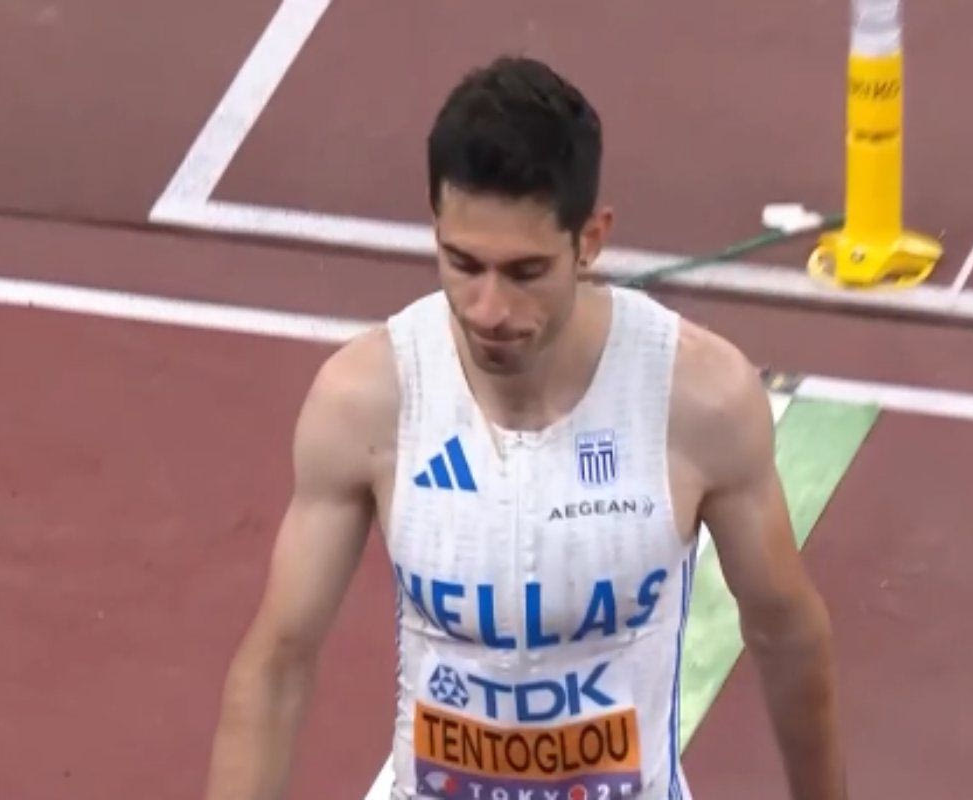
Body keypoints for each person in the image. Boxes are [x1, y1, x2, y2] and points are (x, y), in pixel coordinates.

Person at [203, 56, 847, 800]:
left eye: (525, 272)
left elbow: (785, 635)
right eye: (462, 263)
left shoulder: (696, 398)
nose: (488, 309)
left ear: (591, 239)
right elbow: (278, 665)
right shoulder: (369, 399)